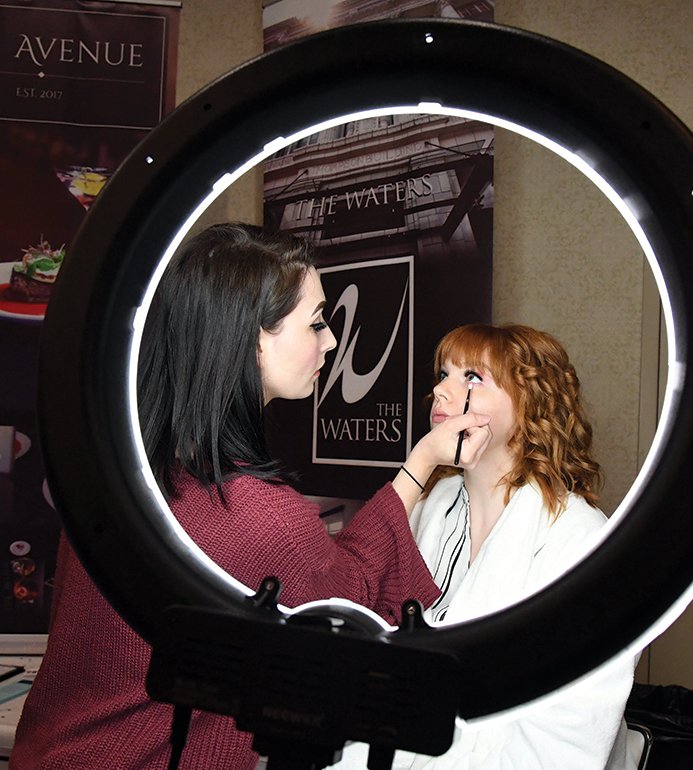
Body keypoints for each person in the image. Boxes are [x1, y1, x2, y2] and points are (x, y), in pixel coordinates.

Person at [10, 224, 491, 770]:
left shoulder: (117, 474)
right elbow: (347, 608)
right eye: (315, 323)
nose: (332, 341)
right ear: (252, 339)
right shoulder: (259, 517)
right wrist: (422, 463)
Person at [335, 323, 637, 770]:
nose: (441, 391)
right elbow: (360, 610)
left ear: (530, 403)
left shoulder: (581, 538)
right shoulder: (432, 506)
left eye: (472, 378)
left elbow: (566, 733)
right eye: (443, 374)